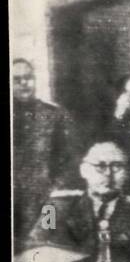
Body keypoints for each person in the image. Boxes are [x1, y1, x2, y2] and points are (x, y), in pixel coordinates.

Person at [24, 138, 130, 262]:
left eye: (117, 166)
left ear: (127, 173)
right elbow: (35, 248)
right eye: (100, 166)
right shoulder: (54, 207)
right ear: (83, 170)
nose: (108, 173)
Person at [12, 58, 82, 242]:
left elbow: (70, 164)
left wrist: (54, 200)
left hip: (46, 203)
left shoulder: (54, 115)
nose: (24, 83)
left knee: (45, 243)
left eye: (28, 77)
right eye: (16, 79)